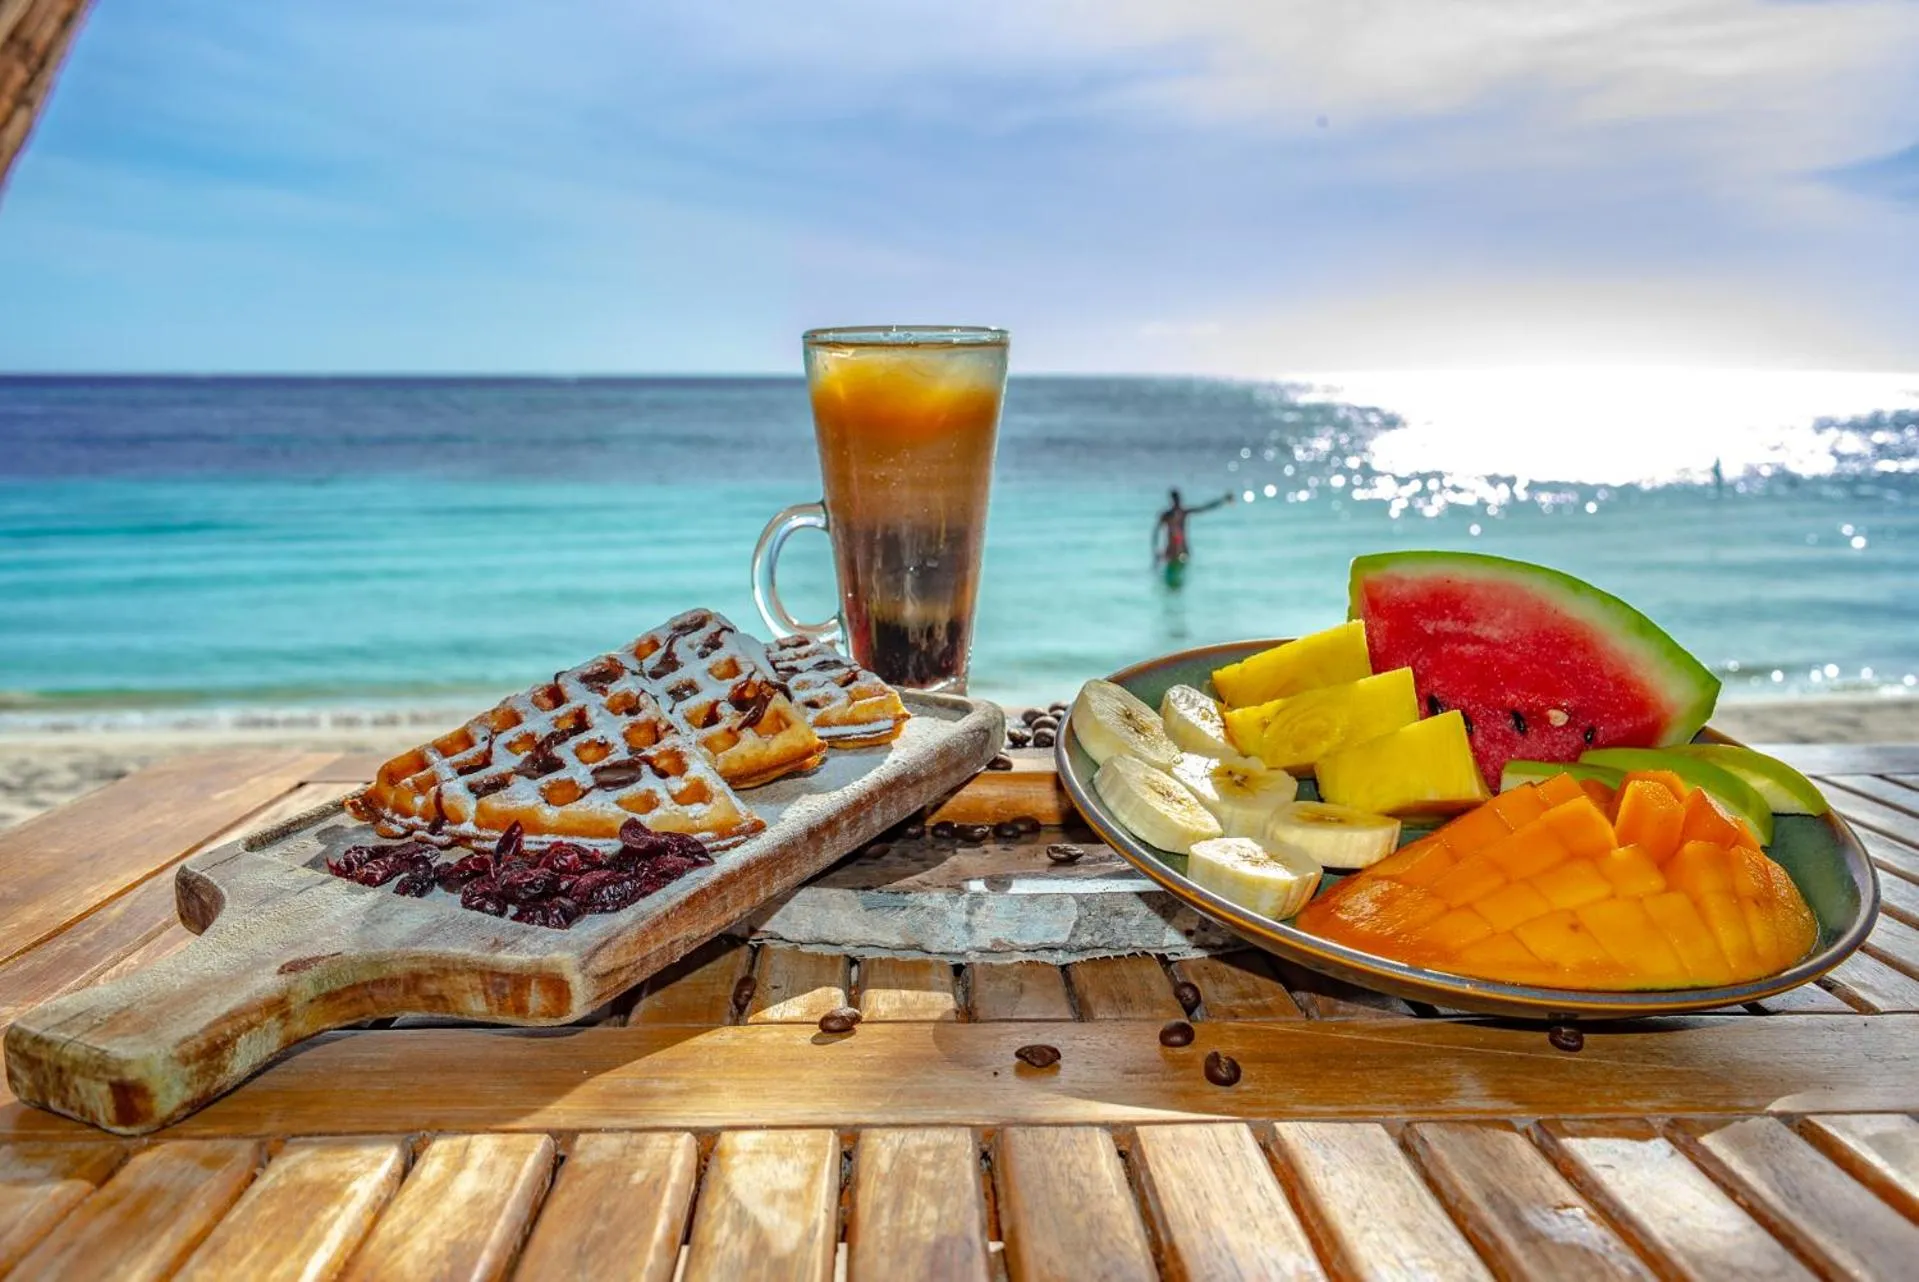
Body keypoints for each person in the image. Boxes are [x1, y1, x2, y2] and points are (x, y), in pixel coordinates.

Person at [1153, 488, 1234, 585]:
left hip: (1181, 550)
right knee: (1174, 576)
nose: (1178, 501)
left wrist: (1222, 501)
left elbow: (1204, 508)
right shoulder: (1168, 515)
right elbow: (1156, 532)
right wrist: (1156, 550)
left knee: (1175, 577)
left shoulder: (1180, 513)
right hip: (1174, 550)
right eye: (1177, 499)